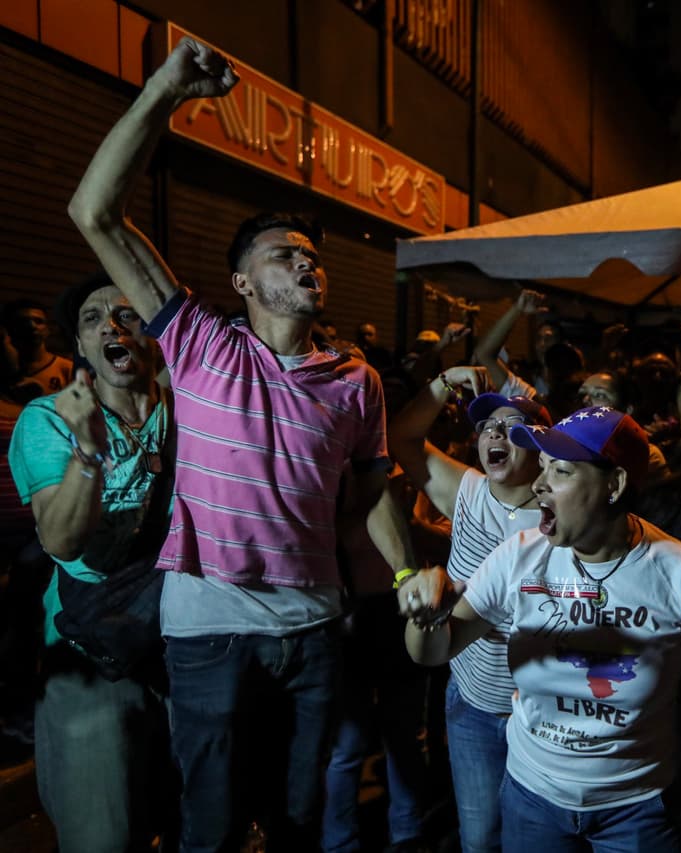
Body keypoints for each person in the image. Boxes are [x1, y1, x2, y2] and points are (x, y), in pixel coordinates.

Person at [67, 37, 419, 851]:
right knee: (212, 825)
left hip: (314, 627)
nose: (305, 261)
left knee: (299, 823)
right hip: (209, 627)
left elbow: (369, 495)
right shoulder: (200, 343)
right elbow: (94, 212)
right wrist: (163, 90)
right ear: (242, 284)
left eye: (311, 255)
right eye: (282, 254)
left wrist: (403, 572)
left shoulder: (354, 379)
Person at [398, 407, 681, 852]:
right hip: (533, 802)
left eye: (559, 471)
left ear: (614, 485)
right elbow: (431, 652)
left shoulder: (677, 570)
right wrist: (426, 617)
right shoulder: (519, 555)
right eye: (542, 468)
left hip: (637, 810)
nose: (539, 485)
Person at [9, 274, 176, 853]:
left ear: (152, 336)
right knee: (104, 830)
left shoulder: (184, 405)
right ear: (79, 348)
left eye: (128, 315)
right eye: (92, 318)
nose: (111, 324)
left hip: (189, 642)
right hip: (95, 649)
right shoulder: (49, 418)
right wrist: (87, 453)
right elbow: (60, 540)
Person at [387, 366, 551, 853]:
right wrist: (442, 381)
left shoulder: (562, 513)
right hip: (474, 705)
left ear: (543, 446)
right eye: (486, 427)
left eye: (510, 425)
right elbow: (399, 437)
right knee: (480, 840)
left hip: (541, 711)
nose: (494, 434)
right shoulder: (468, 491)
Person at [1, 298, 74, 400]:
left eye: (38, 321)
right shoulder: (5, 369)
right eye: (23, 321)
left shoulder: (68, 369)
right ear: (9, 328)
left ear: (48, 329)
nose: (32, 326)